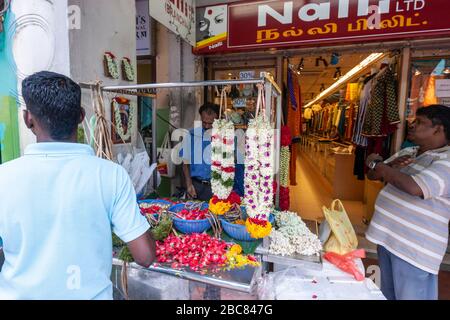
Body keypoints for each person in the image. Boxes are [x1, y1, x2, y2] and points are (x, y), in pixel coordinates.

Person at [0, 71, 155, 300]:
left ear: (28, 119)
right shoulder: (110, 175)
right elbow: (145, 255)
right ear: (81, 116)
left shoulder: (4, 177)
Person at [365, 105, 450, 300]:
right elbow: (373, 174)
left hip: (413, 248)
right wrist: (378, 165)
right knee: (388, 294)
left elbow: (415, 187)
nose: (412, 125)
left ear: (439, 129)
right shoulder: (411, 151)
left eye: (420, 122)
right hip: (389, 239)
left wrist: (382, 167)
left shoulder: (447, 160)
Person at [181, 103, 219, 201]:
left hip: (216, 188)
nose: (206, 126)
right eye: (204, 122)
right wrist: (189, 185)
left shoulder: (223, 137)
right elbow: (185, 163)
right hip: (195, 186)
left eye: (210, 123)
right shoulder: (192, 134)